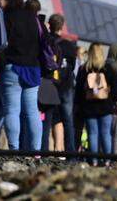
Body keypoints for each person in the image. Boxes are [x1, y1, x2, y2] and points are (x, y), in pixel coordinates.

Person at [0, 0, 43, 151]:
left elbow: (0, 42)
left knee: (12, 111)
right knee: (32, 111)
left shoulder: (4, 16)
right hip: (32, 68)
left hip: (13, 67)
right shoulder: (32, 16)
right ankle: (36, 151)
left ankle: (14, 148)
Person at [74, 43, 117, 164]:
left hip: (89, 107)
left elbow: (79, 90)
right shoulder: (108, 69)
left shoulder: (84, 69)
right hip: (105, 107)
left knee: (92, 134)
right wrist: (112, 99)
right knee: (106, 134)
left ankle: (94, 161)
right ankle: (107, 161)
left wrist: (78, 105)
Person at [45, 14, 76, 152]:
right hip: (66, 86)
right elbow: (72, 65)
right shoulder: (69, 45)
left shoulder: (45, 42)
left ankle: (43, 150)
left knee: (46, 119)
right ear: (62, 26)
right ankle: (71, 152)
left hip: (49, 85)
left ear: (49, 25)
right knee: (68, 121)